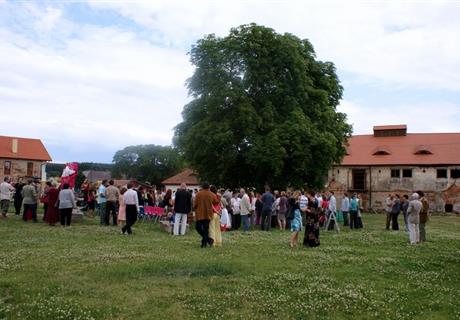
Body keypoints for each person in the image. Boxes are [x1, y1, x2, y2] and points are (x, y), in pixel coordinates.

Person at [193, 183, 219, 248]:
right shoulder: (211, 194)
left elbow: (195, 204)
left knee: (198, 227)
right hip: (208, 214)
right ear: (208, 188)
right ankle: (207, 241)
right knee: (205, 229)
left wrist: (194, 208)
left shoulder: (198, 194)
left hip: (199, 214)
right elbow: (216, 202)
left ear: (202, 187)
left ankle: (206, 241)